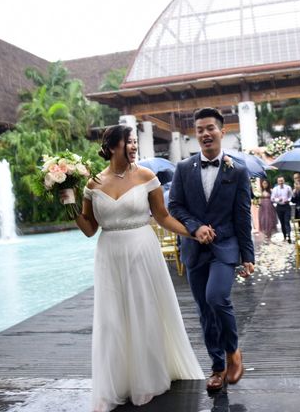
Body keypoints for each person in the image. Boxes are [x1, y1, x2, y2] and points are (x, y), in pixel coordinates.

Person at [69, 125, 204, 411]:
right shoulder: (93, 184)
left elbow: (164, 217)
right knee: (112, 318)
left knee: (144, 311)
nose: (133, 146)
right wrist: (68, 205)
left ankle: (149, 380)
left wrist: (193, 232)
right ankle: (115, 384)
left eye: (134, 142)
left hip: (142, 250)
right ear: (113, 146)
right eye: (129, 142)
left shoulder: (146, 176)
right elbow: (89, 229)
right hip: (109, 253)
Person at [169, 107, 255, 393]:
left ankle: (232, 351)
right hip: (194, 249)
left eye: (210, 128)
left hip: (225, 247)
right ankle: (217, 368)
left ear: (222, 131)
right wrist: (195, 228)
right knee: (205, 311)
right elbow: (175, 207)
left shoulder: (238, 172)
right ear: (196, 135)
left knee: (216, 297)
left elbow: (242, 216)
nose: (205, 134)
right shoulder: (182, 169)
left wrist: (248, 257)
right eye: (200, 130)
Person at [271, 175, 293, 243]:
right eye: (279, 181)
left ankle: (289, 236)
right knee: (282, 222)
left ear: (284, 181)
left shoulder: (288, 188)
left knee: (287, 221)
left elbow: (291, 196)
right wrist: (278, 200)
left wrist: (289, 200)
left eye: (282, 180)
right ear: (277, 182)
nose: (281, 182)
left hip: (286, 206)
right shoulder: (275, 189)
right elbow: (272, 198)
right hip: (279, 207)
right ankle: (284, 236)